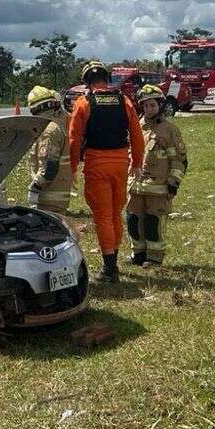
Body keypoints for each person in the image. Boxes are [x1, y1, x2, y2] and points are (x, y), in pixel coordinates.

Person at [68, 60, 143, 284]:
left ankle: (110, 268)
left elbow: (74, 140)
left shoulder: (83, 103)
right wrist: (137, 163)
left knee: (102, 216)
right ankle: (114, 260)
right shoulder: (124, 100)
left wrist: (72, 168)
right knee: (115, 213)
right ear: (106, 79)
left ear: (87, 82)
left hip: (97, 163)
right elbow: (137, 135)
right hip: (121, 162)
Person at [125, 85, 187, 268]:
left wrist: (173, 183)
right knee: (133, 221)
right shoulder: (136, 127)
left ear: (160, 105)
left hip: (158, 188)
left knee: (153, 223)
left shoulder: (169, 130)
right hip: (136, 186)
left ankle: (154, 258)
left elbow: (179, 160)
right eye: (145, 106)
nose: (149, 109)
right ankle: (138, 254)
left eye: (152, 105)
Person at [25, 85, 76, 233]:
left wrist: (34, 188)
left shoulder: (48, 130)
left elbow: (49, 168)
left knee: (50, 236)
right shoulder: (55, 125)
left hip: (50, 196)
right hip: (56, 194)